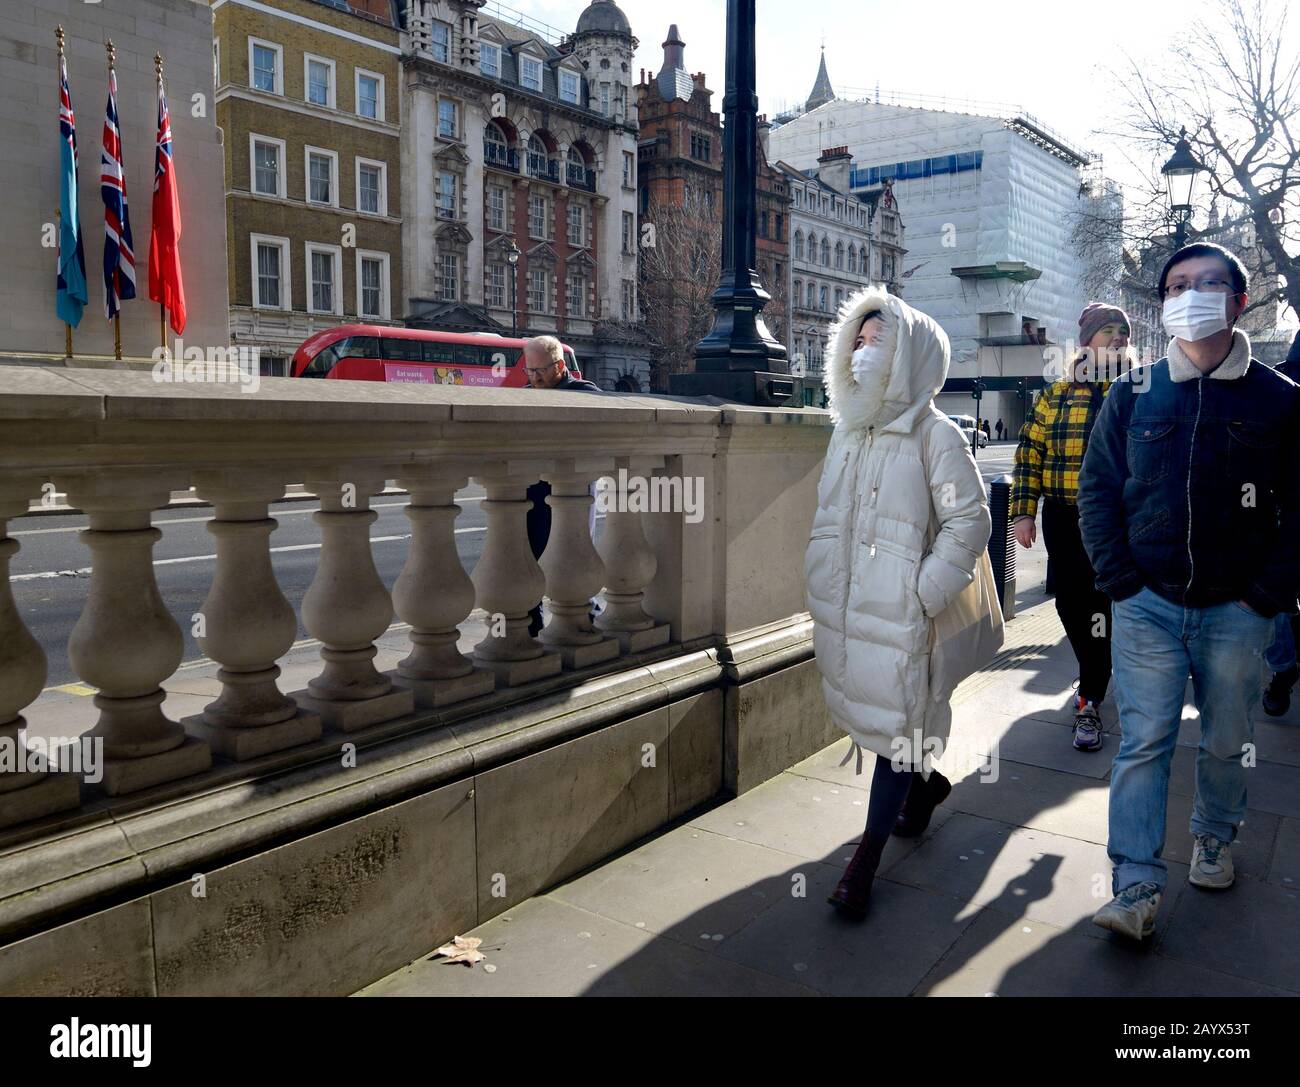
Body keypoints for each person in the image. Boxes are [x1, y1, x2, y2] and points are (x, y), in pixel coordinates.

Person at [1077, 243, 1300, 942]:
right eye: (1177, 285)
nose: (1191, 294)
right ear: (1164, 303)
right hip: (1145, 603)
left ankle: (1213, 833)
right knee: (1143, 740)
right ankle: (1135, 881)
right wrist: (1119, 581)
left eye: (1208, 284)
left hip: (1238, 610)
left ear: (1239, 301)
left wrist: (1265, 594)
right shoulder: (1132, 390)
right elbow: (1097, 490)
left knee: (1226, 739)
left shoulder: (1281, 400)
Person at [804, 285, 994, 921]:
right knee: (882, 717)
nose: (862, 350)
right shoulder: (848, 432)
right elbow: (830, 518)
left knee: (898, 726)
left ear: (909, 354)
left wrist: (923, 591)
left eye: (877, 339)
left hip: (905, 615)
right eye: (857, 339)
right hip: (850, 608)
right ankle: (927, 787)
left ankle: (865, 860)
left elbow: (970, 522)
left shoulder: (935, 435)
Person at [1011, 303, 1130, 751]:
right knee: (1070, 602)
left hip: (1116, 518)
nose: (1117, 338)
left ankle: (1090, 698)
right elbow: (1030, 453)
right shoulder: (1055, 394)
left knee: (1103, 604)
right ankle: (1095, 669)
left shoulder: (1138, 389)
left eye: (1123, 332)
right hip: (1063, 515)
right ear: (1087, 341)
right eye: (1108, 331)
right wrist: (1024, 510)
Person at [522, 336, 601, 637]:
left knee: (574, 553)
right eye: (530, 370)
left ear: (560, 365)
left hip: (574, 491)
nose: (535, 377)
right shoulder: (525, 394)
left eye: (541, 370)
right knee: (529, 555)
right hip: (534, 490)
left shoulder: (586, 393)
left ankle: (586, 620)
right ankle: (531, 626)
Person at [1260, 327, 1300, 714]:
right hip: (1279, 509)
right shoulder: (1280, 386)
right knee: (1274, 598)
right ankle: (1283, 670)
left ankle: (1283, 670)